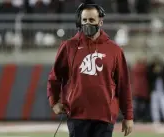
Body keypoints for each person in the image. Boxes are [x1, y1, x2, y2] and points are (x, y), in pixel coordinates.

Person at [47, 2, 133, 137]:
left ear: (101, 22)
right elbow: (54, 77)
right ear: (79, 22)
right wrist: (54, 102)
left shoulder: (114, 50)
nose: (87, 23)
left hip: (105, 116)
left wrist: (128, 116)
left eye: (92, 20)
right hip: (77, 115)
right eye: (84, 20)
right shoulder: (68, 47)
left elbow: (124, 85)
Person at [147, 56, 164, 131]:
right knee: (154, 107)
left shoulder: (162, 70)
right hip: (154, 91)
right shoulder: (151, 70)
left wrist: (160, 71)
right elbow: (149, 77)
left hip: (162, 91)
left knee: (163, 106)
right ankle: (156, 120)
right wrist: (155, 71)